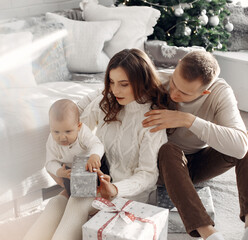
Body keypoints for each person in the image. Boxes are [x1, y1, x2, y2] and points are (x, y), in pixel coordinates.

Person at [23, 48, 175, 240]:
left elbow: (148, 175)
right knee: (56, 204)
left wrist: (115, 189)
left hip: (126, 193)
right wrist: (61, 172)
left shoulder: (152, 119)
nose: (115, 90)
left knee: (76, 204)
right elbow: (73, 129)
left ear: (141, 82)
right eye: (111, 82)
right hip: (94, 182)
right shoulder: (107, 102)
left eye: (123, 84)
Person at [141, 51, 248, 240]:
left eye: (184, 93)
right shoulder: (158, 81)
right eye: (175, 83)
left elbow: (240, 147)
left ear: (205, 91)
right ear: (177, 65)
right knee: (168, 150)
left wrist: (188, 120)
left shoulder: (220, 92)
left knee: (247, 139)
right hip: (166, 166)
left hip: (199, 164)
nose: (174, 93)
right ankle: (209, 233)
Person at [45, 98, 104, 197]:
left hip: (90, 163)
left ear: (79, 126)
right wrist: (59, 172)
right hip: (70, 170)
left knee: (101, 175)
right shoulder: (51, 140)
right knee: (72, 191)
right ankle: (68, 194)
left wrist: (94, 155)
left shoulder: (83, 132)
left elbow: (97, 144)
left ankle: (98, 193)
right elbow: (50, 162)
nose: (62, 137)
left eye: (68, 131)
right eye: (56, 132)